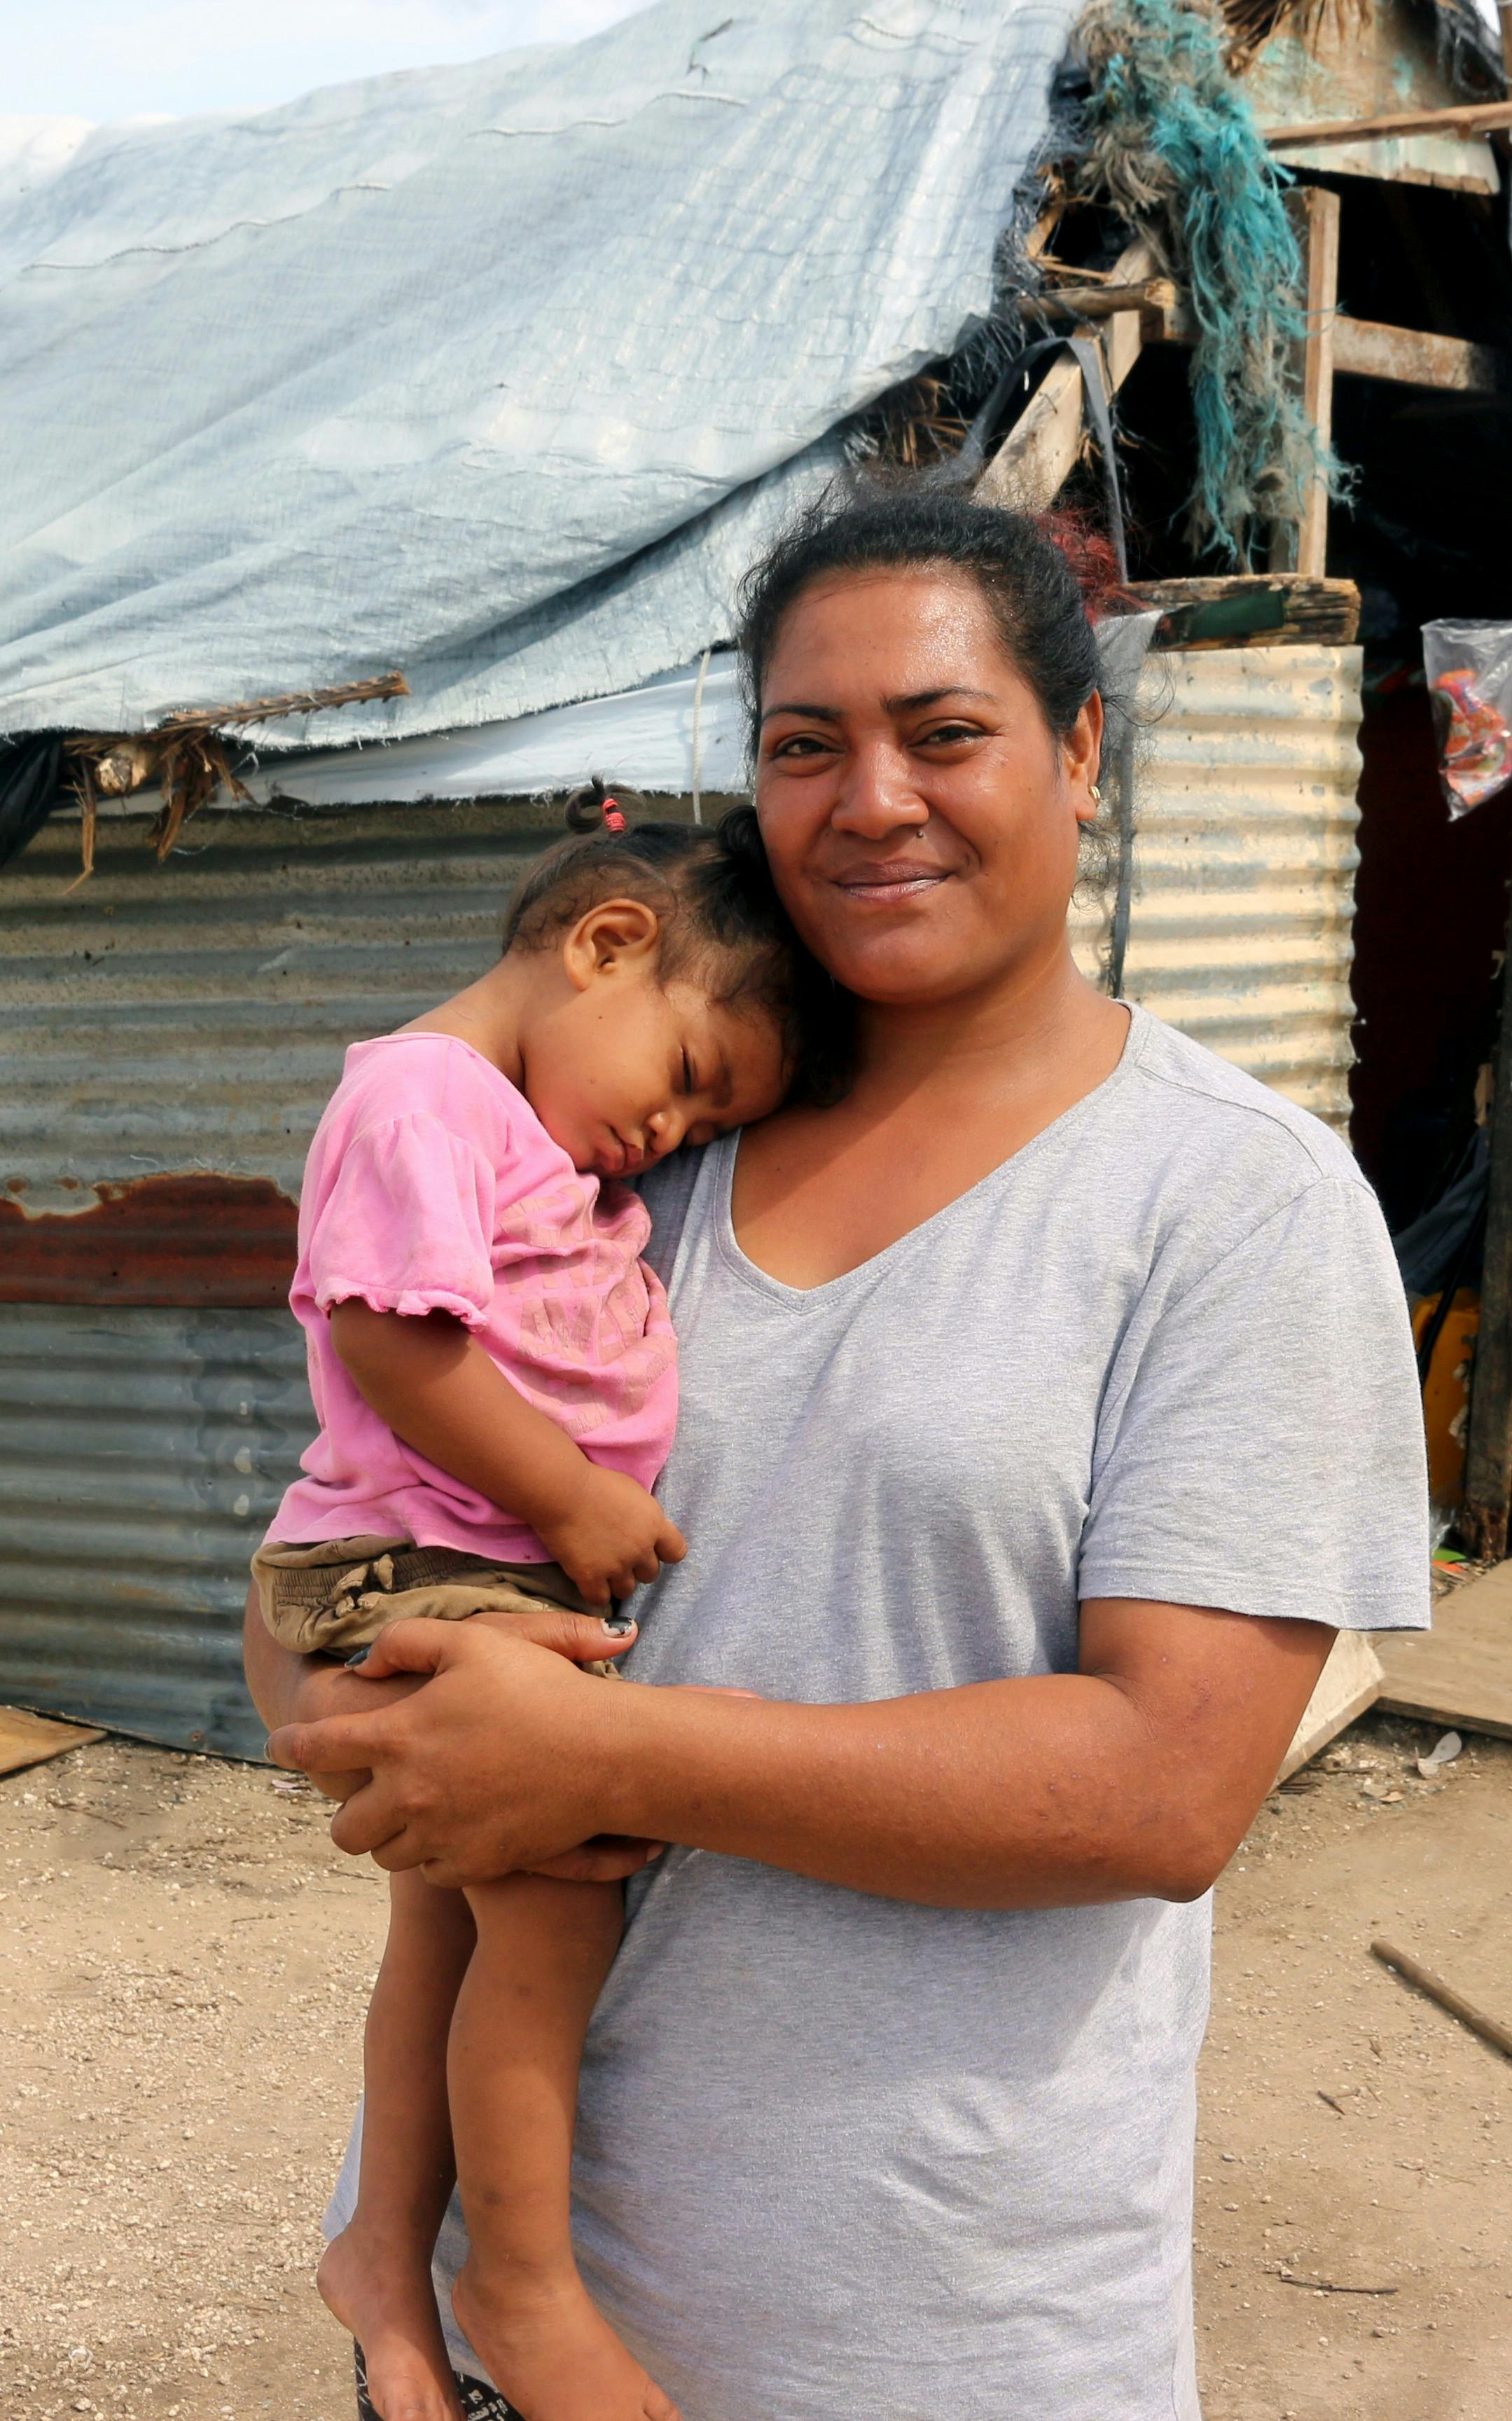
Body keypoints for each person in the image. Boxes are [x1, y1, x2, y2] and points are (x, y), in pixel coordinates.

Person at [249, 490, 1432, 2421]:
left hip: (927, 2330)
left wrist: (600, 1755)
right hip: (497, 2321)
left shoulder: (1233, 1209)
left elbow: (1166, 1790)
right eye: (807, 746)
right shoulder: (633, 1156)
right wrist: (340, 1690)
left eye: (943, 731)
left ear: (1078, 749)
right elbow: (355, 1522)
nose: (872, 797)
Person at [253, 818, 812, 2421]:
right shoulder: (420, 1097)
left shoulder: (525, 1135)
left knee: (451, 1923)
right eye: (694, 1074)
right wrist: (570, 1501)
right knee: (556, 1914)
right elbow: (389, 1340)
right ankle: (522, 2280)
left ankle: (382, 2245)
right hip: (410, 1566)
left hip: (469, 1571)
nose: (673, 1128)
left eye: (715, 1118)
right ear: (607, 943)